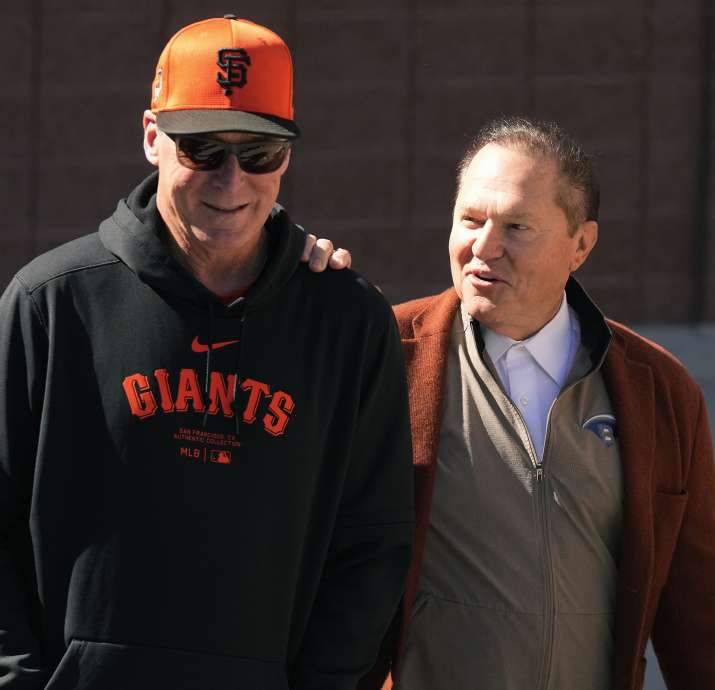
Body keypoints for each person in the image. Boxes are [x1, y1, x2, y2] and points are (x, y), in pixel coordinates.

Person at [0, 16, 412, 689]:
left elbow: (371, 544)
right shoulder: (52, 303)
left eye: (259, 154)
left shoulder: (347, 321)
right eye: (202, 150)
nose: (231, 181)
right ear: (151, 137)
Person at [356, 117, 715, 690]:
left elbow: (703, 608)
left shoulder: (658, 390)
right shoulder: (385, 357)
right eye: (470, 219)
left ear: (581, 245)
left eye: (517, 226)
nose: (484, 247)